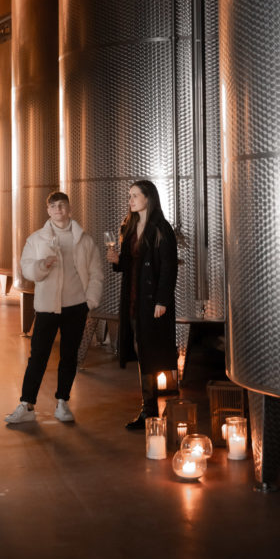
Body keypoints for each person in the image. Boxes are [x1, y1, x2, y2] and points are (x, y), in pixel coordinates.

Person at [6, 191, 103, 425]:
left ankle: (62, 402)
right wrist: (42, 265)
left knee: (69, 356)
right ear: (48, 210)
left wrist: (89, 302)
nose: (58, 209)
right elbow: (27, 268)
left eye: (62, 205)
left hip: (75, 307)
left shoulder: (84, 239)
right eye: (53, 206)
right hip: (47, 307)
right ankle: (26, 404)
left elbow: (96, 273)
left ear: (69, 208)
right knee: (38, 356)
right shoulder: (36, 239)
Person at [106, 179, 179, 430]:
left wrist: (162, 300)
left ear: (149, 198)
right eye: (130, 196)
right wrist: (117, 260)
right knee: (142, 352)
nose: (131, 200)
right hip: (134, 299)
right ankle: (149, 409)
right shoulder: (130, 225)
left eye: (135, 195)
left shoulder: (161, 228)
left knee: (151, 353)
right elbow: (130, 263)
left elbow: (169, 267)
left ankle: (151, 410)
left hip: (152, 301)